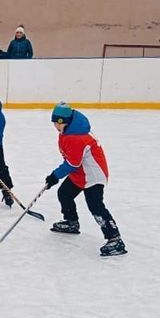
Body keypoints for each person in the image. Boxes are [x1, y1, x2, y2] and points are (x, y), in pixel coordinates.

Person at [44, 102, 126, 257]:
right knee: (64, 194)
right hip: (80, 173)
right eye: (54, 122)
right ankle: (71, 222)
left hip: (94, 175)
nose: (55, 125)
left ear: (65, 122)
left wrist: (55, 176)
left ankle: (115, 238)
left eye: (57, 122)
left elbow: (72, 163)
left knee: (95, 206)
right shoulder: (68, 130)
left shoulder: (76, 137)